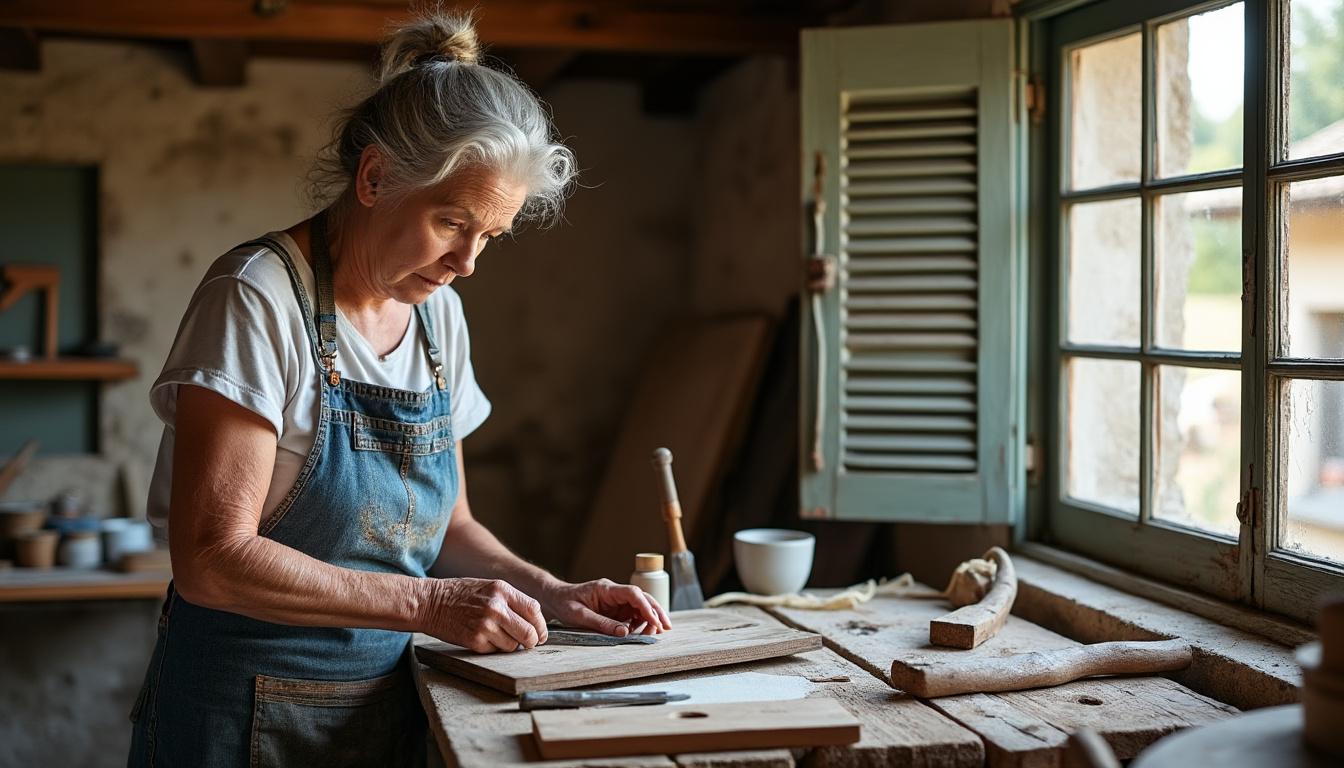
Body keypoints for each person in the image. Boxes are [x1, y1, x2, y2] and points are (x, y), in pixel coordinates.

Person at [127, 11, 670, 766]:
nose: (467, 263)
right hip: (240, 713)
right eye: (452, 222)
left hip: (387, 704)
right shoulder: (255, 298)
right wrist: (429, 604)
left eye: (491, 236)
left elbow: (448, 527)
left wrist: (553, 592)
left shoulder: (435, 315)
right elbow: (213, 558)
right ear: (376, 177)